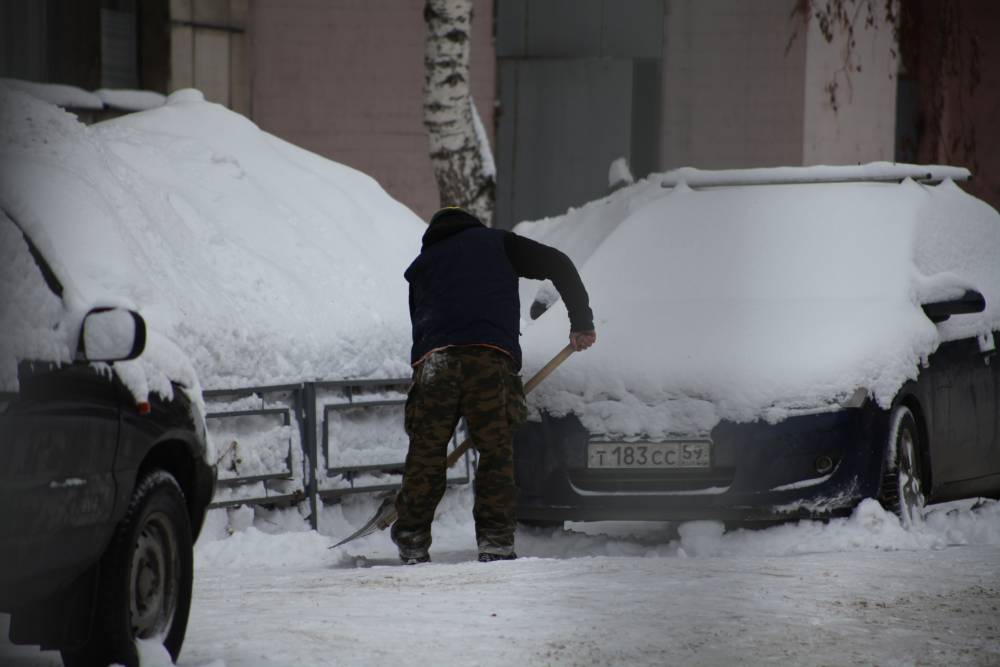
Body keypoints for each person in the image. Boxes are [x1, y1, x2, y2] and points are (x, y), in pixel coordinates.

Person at [392, 206, 596, 564]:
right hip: (489, 359)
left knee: (426, 455)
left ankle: (411, 538)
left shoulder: (422, 265)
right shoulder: (497, 243)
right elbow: (559, 263)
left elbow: (419, 329)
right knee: (495, 453)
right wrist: (581, 320)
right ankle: (496, 541)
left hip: (434, 364)